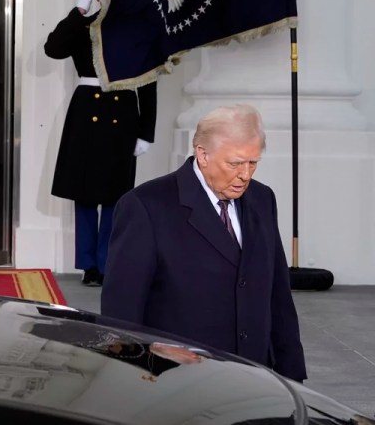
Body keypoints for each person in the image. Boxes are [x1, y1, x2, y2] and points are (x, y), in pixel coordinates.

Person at [101, 104, 307, 382]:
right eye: (235, 163)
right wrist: (134, 371)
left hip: (255, 376)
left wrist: (292, 377)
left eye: (253, 163)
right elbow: (121, 309)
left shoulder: (262, 199)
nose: (245, 175)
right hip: (179, 381)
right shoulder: (145, 206)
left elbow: (278, 294)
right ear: (203, 154)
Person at [44, 0, 157, 286]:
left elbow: (148, 84)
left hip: (123, 114)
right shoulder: (84, 26)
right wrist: (78, 13)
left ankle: (107, 263)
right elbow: (53, 48)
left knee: (114, 195)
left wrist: (146, 132)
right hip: (86, 114)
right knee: (83, 193)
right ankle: (88, 265)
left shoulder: (137, 31)